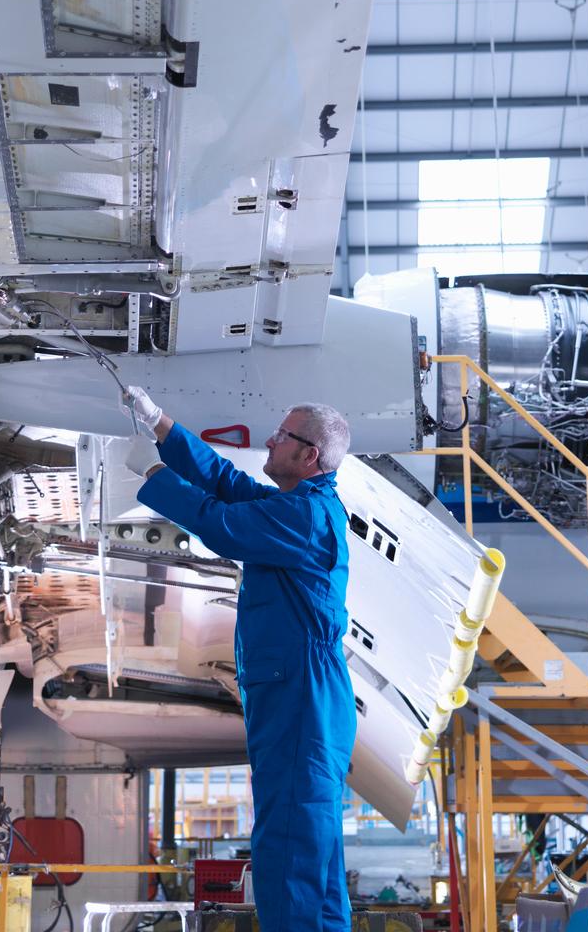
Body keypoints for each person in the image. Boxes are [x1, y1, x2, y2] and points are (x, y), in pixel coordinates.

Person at [121, 388, 356, 932]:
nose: (270, 440)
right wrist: (162, 426)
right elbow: (227, 485)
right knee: (312, 853)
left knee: (289, 847)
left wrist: (154, 477)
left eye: (282, 435)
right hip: (303, 692)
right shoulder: (298, 506)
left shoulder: (305, 517)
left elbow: (222, 524)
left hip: (303, 694)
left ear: (309, 456)